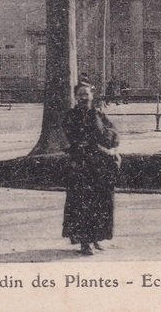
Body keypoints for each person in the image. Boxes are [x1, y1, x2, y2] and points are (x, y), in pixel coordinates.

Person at [62, 83, 120, 256]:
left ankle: (96, 237)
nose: (83, 98)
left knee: (101, 201)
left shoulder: (98, 114)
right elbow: (72, 139)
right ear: (75, 97)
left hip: (100, 166)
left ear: (92, 96)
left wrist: (107, 142)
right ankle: (84, 242)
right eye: (80, 95)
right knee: (82, 203)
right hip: (81, 165)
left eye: (86, 94)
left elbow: (113, 133)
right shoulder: (71, 116)